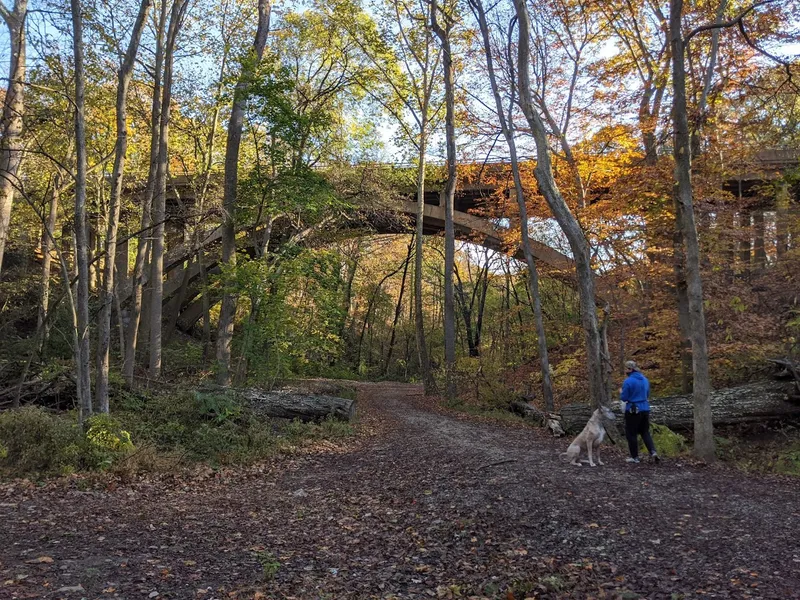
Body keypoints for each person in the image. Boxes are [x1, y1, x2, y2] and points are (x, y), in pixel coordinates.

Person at [619, 360, 660, 464]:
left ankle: (635, 457)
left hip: (633, 410)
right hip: (645, 408)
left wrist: (621, 393)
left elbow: (624, 398)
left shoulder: (628, 381)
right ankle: (653, 451)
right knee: (645, 432)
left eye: (626, 368)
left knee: (631, 433)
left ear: (630, 369)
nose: (625, 370)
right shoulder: (645, 380)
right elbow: (647, 394)